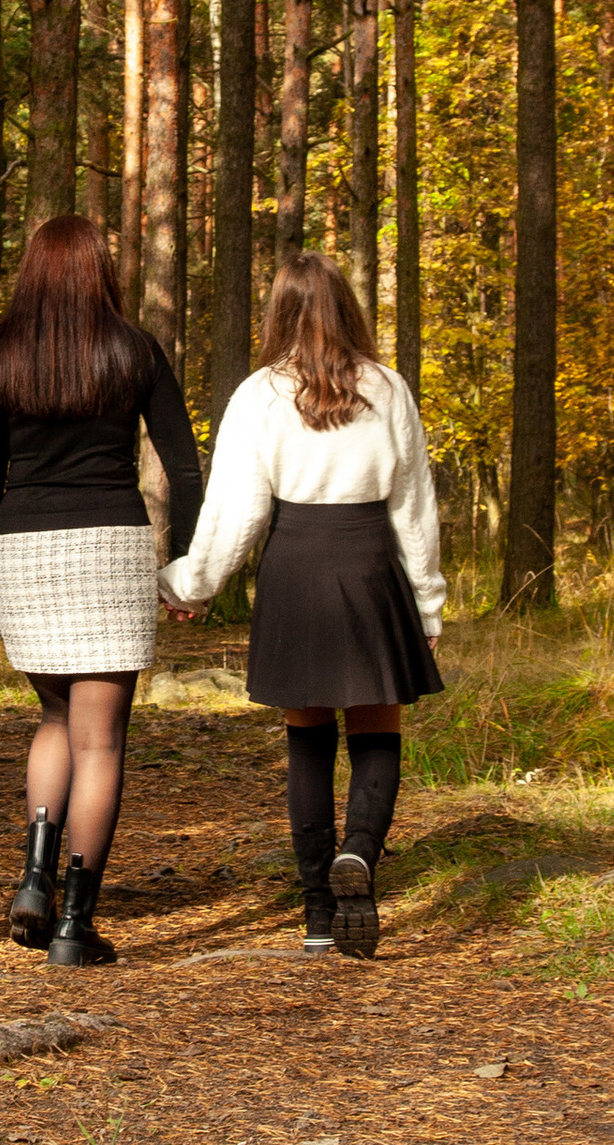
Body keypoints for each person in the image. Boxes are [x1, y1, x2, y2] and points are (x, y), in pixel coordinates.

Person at [160, 251, 442, 957]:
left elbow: (238, 510)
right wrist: (428, 603)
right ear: (348, 308)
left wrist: (192, 584)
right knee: (378, 730)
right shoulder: (388, 387)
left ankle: (319, 912)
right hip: (371, 565)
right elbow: (414, 507)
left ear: (278, 313)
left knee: (307, 740)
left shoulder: (259, 395)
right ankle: (360, 855)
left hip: (295, 569)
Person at [0, 216, 204, 967]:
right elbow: (183, 466)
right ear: (102, 269)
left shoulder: (1, 353)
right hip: (110, 545)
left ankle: (34, 880)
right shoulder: (133, 349)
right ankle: (75, 924)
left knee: (55, 718)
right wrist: (188, 564)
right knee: (100, 739)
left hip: (24, 546)